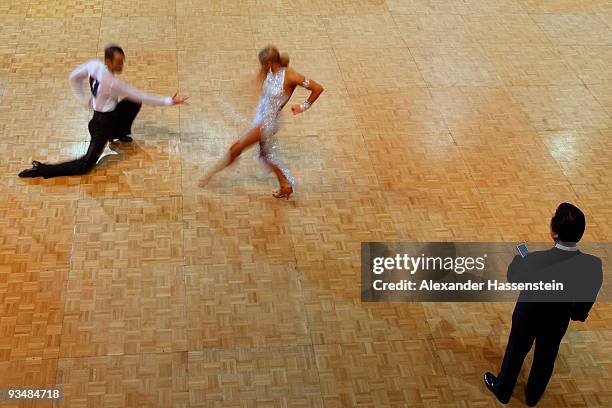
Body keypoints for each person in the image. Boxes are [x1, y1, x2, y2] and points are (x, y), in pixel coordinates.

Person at [484, 203, 603, 406]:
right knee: (545, 359)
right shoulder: (592, 265)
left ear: (554, 235)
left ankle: (503, 390)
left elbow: (514, 278)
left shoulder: (534, 260)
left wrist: (518, 258)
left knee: (516, 351)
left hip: (527, 317)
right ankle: (533, 396)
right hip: (556, 322)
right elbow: (588, 295)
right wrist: (577, 313)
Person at [18, 45, 188, 179]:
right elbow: (140, 94)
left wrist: (84, 99)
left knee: (132, 103)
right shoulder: (112, 82)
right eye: (118, 62)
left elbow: (74, 77)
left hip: (106, 117)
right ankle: (41, 169)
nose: (121, 65)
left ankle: (117, 133)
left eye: (123, 61)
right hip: (102, 125)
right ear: (108, 60)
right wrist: (169, 101)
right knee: (85, 165)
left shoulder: (94, 65)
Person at [199, 45, 324, 199]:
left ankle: (211, 174)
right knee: (265, 155)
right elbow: (261, 80)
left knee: (236, 149)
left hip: (268, 122)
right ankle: (285, 185)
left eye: (262, 64)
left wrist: (302, 107)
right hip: (261, 115)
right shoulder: (269, 69)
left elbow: (318, 88)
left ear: (269, 63)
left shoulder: (290, 75)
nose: (261, 68)